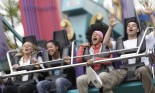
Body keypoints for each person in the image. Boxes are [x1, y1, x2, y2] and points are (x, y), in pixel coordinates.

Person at [102, 3, 155, 93]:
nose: (130, 26)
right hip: (124, 70)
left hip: (141, 68)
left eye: (133, 25)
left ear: (138, 29)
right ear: (126, 30)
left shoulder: (145, 39)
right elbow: (106, 42)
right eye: (128, 26)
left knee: (143, 70)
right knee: (106, 77)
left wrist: (150, 15)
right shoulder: (121, 42)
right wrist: (110, 27)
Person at [76, 22, 113, 93]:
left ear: (102, 39)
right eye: (93, 35)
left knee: (102, 76)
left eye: (97, 35)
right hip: (91, 75)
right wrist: (81, 47)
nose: (94, 36)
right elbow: (78, 60)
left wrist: (96, 60)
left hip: (105, 72)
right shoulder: (86, 48)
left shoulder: (106, 46)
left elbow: (110, 61)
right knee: (80, 79)